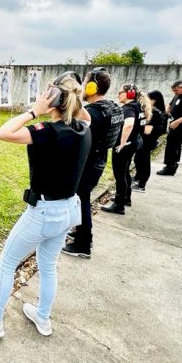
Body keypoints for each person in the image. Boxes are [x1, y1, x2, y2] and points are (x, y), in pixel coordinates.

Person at [0, 74, 91, 338]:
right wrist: (73, 100)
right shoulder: (83, 129)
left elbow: (2, 132)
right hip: (69, 208)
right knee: (48, 264)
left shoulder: (46, 132)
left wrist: (34, 111)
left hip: (44, 212)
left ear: (55, 100)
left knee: (8, 260)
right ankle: (43, 317)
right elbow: (84, 116)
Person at [63, 68, 123, 258]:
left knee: (81, 202)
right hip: (98, 160)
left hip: (87, 164)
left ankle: (83, 244)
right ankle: (79, 231)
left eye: (85, 82)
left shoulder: (93, 113)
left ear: (91, 87)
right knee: (82, 199)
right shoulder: (112, 107)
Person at [101, 84, 152, 215]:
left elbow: (128, 125)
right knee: (125, 172)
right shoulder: (138, 106)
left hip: (127, 144)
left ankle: (119, 205)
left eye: (120, 92)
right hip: (136, 141)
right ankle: (125, 198)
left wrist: (122, 143)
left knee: (120, 174)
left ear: (129, 94)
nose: (118, 95)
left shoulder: (128, 108)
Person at [132, 90, 167, 192]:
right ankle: (138, 178)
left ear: (154, 101)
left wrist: (135, 127)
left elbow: (147, 131)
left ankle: (141, 185)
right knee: (138, 159)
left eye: (147, 99)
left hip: (147, 141)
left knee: (144, 161)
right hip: (144, 141)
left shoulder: (154, 113)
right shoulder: (151, 111)